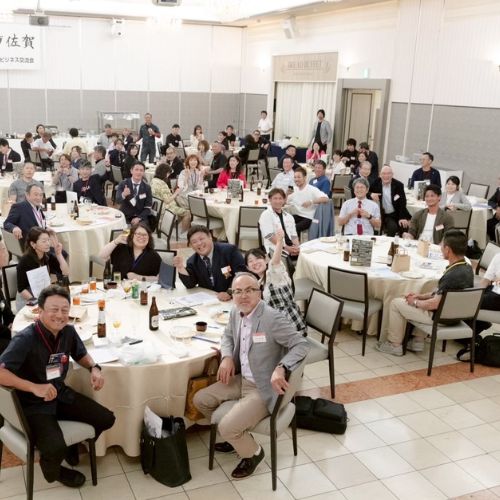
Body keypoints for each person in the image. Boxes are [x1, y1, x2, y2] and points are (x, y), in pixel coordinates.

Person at [193, 272, 309, 479]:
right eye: (238, 291)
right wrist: (227, 357)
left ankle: (254, 453)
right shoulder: (235, 312)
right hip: (243, 379)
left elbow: (301, 344)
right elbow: (228, 336)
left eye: (249, 290)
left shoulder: (272, 318)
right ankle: (236, 437)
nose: (243, 296)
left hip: (263, 387)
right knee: (200, 399)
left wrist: (282, 366)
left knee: (227, 426)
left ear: (259, 293)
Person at [0, 285, 115, 488]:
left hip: (59, 393)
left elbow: (80, 354)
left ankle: (71, 446)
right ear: (40, 311)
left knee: (106, 418)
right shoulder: (25, 339)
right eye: (54, 309)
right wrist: (34, 387)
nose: (60, 315)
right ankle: (54, 470)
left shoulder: (68, 331)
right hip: (33, 403)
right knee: (54, 448)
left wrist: (94, 368)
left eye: (64, 310)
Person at [376, 230, 473, 356]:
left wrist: (414, 302)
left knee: (396, 303)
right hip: (457, 315)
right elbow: (441, 293)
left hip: (441, 318)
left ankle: (394, 345)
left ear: (448, 249)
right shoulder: (467, 268)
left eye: (442, 245)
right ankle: (418, 341)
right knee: (422, 300)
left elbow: (434, 304)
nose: (440, 248)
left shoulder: (451, 275)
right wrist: (420, 296)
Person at [246, 228, 307, 336]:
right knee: (250, 335)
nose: (255, 263)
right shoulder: (259, 283)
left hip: (290, 326)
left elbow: (275, 262)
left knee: (254, 338)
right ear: (248, 267)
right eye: (251, 261)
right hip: (275, 324)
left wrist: (279, 242)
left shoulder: (274, 275)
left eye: (258, 258)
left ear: (266, 259)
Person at [173, 225, 246, 301]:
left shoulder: (229, 251)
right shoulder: (192, 261)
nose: (199, 243)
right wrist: (180, 267)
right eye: (194, 242)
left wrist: (229, 292)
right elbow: (190, 284)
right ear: (191, 246)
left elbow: (241, 274)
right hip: (211, 300)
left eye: (201, 239)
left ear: (210, 236)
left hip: (235, 298)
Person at [16, 227, 69, 310]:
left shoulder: (47, 256)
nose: (48, 244)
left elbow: (65, 272)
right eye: (44, 241)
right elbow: (21, 289)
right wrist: (36, 302)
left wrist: (59, 254)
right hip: (28, 300)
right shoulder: (25, 261)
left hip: (42, 296)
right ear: (33, 244)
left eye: (48, 240)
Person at [369, 165, 411, 236]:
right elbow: (365, 192)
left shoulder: (398, 185)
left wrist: (402, 217)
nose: (386, 176)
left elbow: (403, 202)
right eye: (384, 173)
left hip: (398, 212)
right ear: (380, 175)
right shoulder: (375, 183)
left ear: (392, 174)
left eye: (388, 173)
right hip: (386, 215)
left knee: (405, 226)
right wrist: (371, 194)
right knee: (392, 227)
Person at [259, 188, 300, 257]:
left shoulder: (289, 216)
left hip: (290, 248)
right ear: (270, 200)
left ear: (284, 200)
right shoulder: (266, 215)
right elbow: (269, 236)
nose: (278, 201)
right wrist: (286, 248)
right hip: (275, 249)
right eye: (275, 198)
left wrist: (296, 248)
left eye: (280, 198)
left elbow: (294, 236)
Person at [150, 163, 191, 232]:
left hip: (157, 207)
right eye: (168, 173)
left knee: (181, 207)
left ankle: (170, 226)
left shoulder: (153, 180)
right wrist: (176, 193)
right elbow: (167, 200)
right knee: (187, 212)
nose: (169, 175)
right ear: (165, 173)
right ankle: (183, 233)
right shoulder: (162, 184)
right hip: (166, 208)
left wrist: (170, 192)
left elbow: (160, 194)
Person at [288, 167, 329, 233]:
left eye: (299, 177)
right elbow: (284, 202)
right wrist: (286, 194)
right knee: (284, 223)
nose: (296, 179)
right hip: (298, 215)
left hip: (309, 217)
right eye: (295, 177)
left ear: (305, 178)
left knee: (294, 228)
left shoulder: (311, 189)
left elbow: (326, 199)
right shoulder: (295, 189)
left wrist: (311, 202)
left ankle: (295, 239)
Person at [116, 162, 153, 226]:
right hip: (125, 216)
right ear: (131, 171)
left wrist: (139, 218)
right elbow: (118, 200)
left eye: (141, 170)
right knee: (121, 228)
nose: (139, 172)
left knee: (141, 229)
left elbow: (148, 207)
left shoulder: (147, 187)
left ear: (143, 173)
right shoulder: (123, 184)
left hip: (140, 216)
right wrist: (123, 194)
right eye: (136, 169)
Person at [474, 252, 500, 335]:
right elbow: (485, 280)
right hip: (494, 290)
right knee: (469, 297)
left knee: (473, 302)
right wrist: (475, 293)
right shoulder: (498, 256)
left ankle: (479, 325)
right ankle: (480, 325)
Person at [487, 176, 500, 240]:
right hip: (498, 216)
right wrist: (497, 207)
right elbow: (490, 201)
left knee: (494, 227)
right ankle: (494, 242)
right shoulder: (498, 190)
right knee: (488, 224)